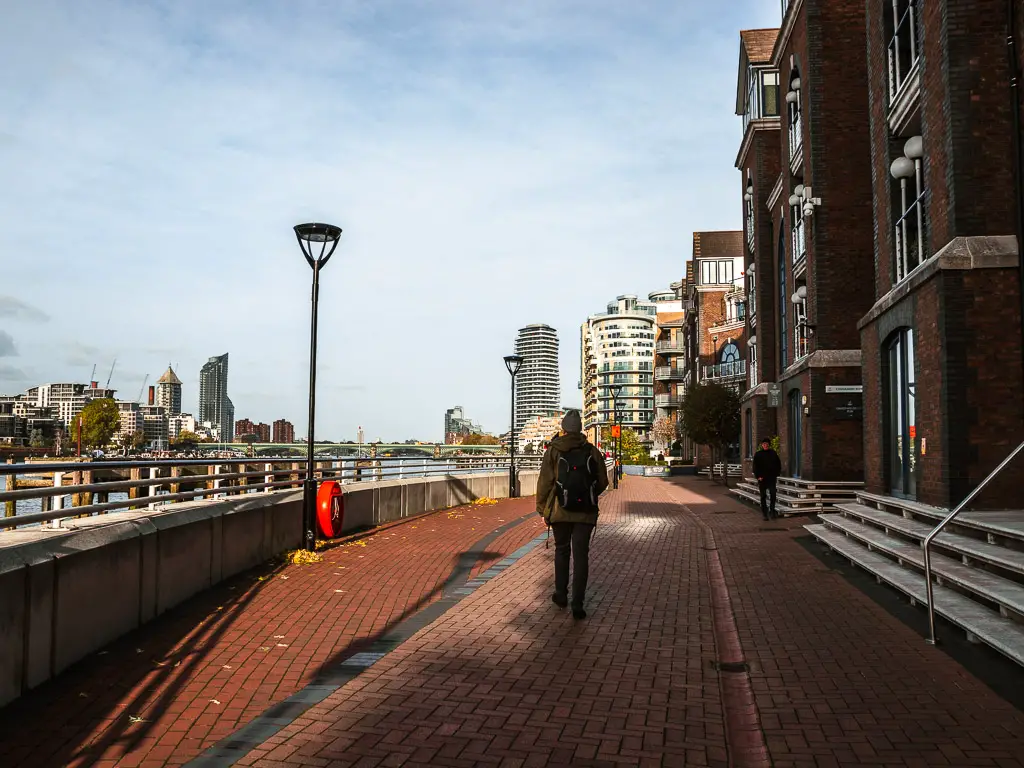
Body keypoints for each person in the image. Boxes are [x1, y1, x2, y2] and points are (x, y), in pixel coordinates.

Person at [536, 410, 609, 620]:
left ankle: (560, 594)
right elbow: (603, 481)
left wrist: (543, 509)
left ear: (564, 429)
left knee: (561, 551)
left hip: (560, 510)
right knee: (581, 556)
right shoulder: (592, 451)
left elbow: (545, 483)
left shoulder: (553, 450)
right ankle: (578, 603)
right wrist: (588, 494)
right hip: (585, 513)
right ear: (581, 430)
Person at [752, 439, 782, 520]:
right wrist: (758, 476)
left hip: (771, 478)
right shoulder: (758, 454)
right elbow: (755, 467)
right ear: (762, 445)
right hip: (762, 479)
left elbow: (778, 464)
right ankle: (764, 513)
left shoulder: (773, 453)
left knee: (773, 494)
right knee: (763, 496)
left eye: (767, 444)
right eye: (764, 444)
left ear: (769, 445)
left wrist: (776, 474)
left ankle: (772, 511)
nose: (765, 445)